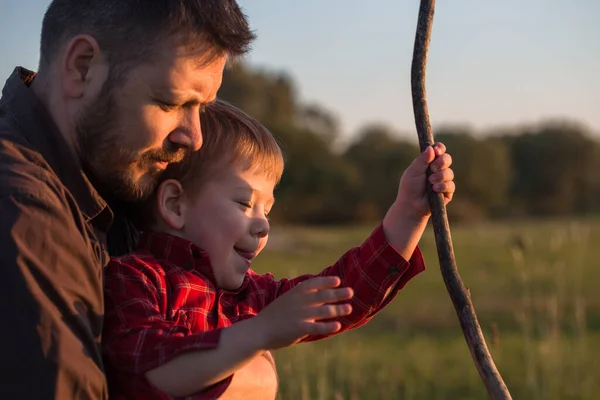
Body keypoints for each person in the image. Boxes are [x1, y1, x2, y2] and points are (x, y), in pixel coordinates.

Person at [102, 100, 456, 399]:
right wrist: (258, 334)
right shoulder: (134, 278)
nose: (263, 224)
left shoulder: (250, 294)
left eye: (267, 210)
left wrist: (408, 213)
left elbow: (344, 291)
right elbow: (146, 371)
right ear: (176, 205)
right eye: (245, 203)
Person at [0, 1, 257, 399]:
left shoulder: (114, 177)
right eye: (172, 103)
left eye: (202, 108)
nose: (194, 136)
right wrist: (239, 377)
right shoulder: (22, 212)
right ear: (82, 67)